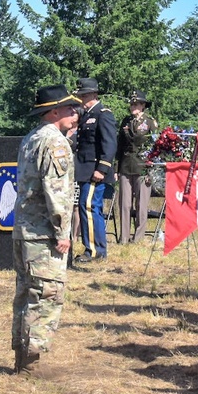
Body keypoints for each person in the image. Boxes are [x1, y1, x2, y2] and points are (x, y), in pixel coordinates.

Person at [12, 85, 80, 376]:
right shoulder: (55, 143)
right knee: (45, 295)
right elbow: (58, 194)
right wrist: (63, 232)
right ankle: (30, 365)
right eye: (69, 109)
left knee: (27, 293)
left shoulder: (32, 138)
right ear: (54, 112)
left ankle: (22, 357)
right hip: (43, 234)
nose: (75, 114)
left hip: (25, 230)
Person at [72, 77, 117, 263]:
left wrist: (102, 168)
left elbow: (110, 144)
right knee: (91, 208)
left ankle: (94, 250)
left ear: (93, 94)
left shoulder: (102, 113)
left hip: (94, 171)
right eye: (81, 95)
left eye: (85, 95)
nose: (82, 98)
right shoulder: (87, 115)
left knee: (88, 207)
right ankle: (96, 248)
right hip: (85, 169)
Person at [116, 90, 158, 244]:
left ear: (143, 105)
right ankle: (124, 237)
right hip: (126, 165)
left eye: (136, 104)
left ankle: (138, 237)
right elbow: (119, 146)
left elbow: (156, 146)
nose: (133, 106)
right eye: (132, 104)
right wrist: (116, 168)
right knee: (124, 204)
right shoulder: (126, 121)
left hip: (142, 166)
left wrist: (151, 170)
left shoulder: (150, 122)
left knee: (141, 204)